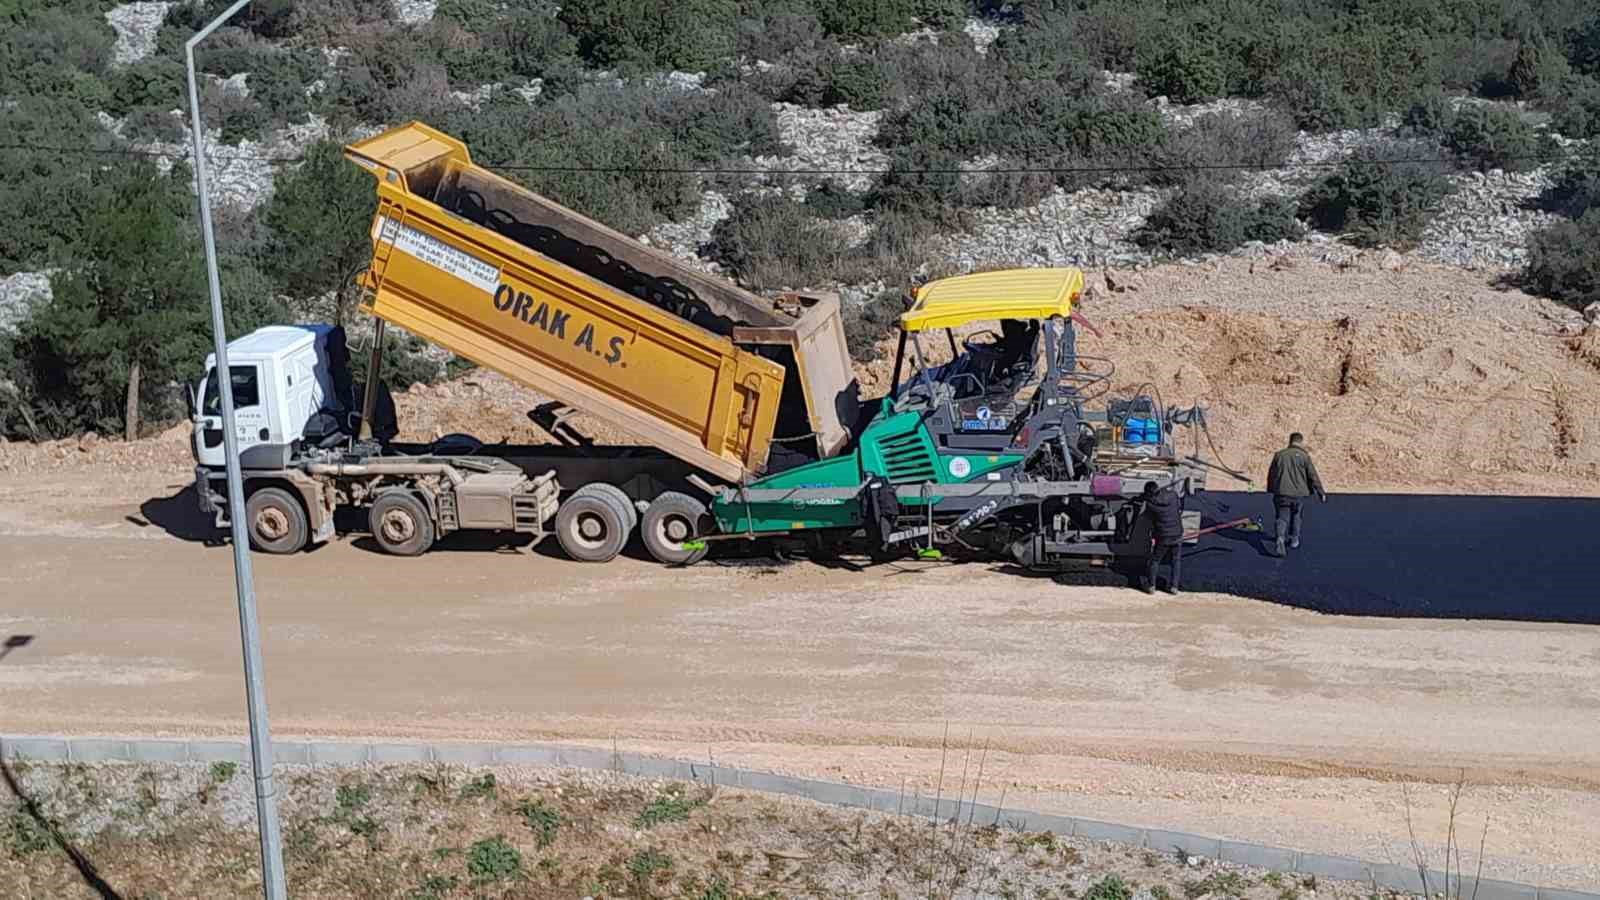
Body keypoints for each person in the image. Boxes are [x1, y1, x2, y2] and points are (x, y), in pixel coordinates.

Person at [1265, 432, 1327, 557]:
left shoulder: (1279, 455)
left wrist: (1271, 489)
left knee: (1282, 517)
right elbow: (1312, 475)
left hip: (1281, 493)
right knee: (1296, 515)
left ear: (1290, 441)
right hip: (1298, 494)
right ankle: (1294, 540)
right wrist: (1320, 492)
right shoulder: (1304, 456)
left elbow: (1271, 474)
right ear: (1300, 442)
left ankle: (1280, 538)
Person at [1139, 480, 1184, 594]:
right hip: (1177, 534)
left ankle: (1151, 586)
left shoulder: (1150, 505)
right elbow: (1178, 505)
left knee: (1155, 560)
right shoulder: (1173, 496)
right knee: (1176, 561)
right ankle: (1174, 587)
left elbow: (1148, 517)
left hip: (1163, 537)